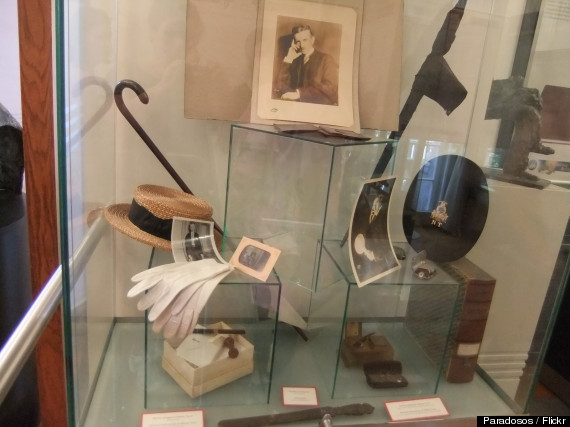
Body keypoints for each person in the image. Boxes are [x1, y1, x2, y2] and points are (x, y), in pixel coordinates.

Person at [274, 24, 338, 105]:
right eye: (298, 41)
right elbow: (280, 86)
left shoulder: (326, 59)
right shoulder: (295, 60)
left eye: (305, 40)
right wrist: (288, 59)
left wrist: (299, 94)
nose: (302, 45)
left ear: (312, 40)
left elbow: (331, 89)